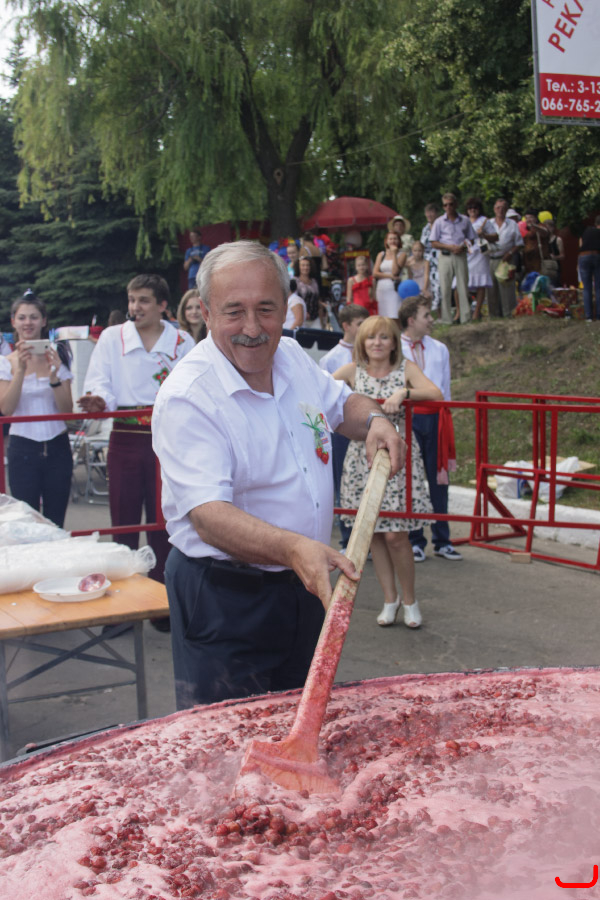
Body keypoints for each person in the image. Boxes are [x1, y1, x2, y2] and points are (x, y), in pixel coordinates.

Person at [151, 241, 405, 709]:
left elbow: (342, 404)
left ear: (287, 308)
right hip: (226, 598)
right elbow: (208, 516)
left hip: (302, 582)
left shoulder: (289, 354)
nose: (252, 329)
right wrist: (293, 548)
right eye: (234, 312)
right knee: (230, 735)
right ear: (205, 312)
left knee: (302, 717)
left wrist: (375, 421)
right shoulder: (188, 396)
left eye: (266, 309)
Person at [80, 275, 195, 629]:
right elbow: (99, 380)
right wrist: (98, 400)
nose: (135, 307)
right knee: (124, 522)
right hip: (125, 434)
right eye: (131, 299)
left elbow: (193, 385)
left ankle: (162, 605)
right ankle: (122, 611)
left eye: (143, 300)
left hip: (167, 438)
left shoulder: (182, 341)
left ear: (163, 305)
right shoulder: (112, 338)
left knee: (164, 524)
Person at [334, 316, 442, 630]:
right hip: (362, 458)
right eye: (371, 337)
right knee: (375, 533)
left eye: (384, 337)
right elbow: (319, 386)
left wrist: (404, 393)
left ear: (394, 342)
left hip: (396, 457)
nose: (377, 343)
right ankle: (389, 599)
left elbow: (434, 392)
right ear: (361, 342)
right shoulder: (352, 371)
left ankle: (410, 600)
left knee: (396, 534)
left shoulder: (405, 368)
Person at [0, 291, 73, 527]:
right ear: (13, 322)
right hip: (22, 447)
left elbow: (67, 410)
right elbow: (6, 409)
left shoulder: (58, 357)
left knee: (56, 520)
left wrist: (54, 377)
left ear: (44, 321)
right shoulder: (5, 362)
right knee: (27, 522)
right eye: (22, 318)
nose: (28, 323)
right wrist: (20, 370)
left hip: (58, 445)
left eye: (33, 317)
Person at [399, 295, 462, 564]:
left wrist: (446, 415)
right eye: (426, 315)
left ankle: (443, 540)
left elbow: (444, 387)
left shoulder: (440, 348)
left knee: (439, 479)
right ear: (411, 320)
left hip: (435, 417)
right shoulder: (395, 347)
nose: (431, 320)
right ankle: (415, 540)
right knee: (411, 480)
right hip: (408, 417)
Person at [319, 304, 369, 549]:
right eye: (360, 324)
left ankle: (368, 538)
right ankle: (347, 537)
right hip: (339, 428)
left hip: (364, 424)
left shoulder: (370, 354)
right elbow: (323, 394)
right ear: (346, 326)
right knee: (343, 482)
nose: (365, 328)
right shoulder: (331, 359)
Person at [430, 193, 477, 325]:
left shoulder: (464, 220)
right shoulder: (439, 222)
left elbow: (472, 239)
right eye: (445, 205)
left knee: (463, 286)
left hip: (460, 254)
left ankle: (466, 317)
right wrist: (449, 247)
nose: (448, 207)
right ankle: (446, 319)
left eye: (451, 204)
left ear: (456, 204)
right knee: (445, 288)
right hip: (445, 255)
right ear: (443, 207)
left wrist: (463, 246)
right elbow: (433, 242)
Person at [487, 198, 524, 318]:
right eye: (498, 207)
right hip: (491, 258)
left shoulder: (512, 224)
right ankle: (494, 315)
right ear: (494, 209)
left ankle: (509, 314)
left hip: (506, 259)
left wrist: (511, 253)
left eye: (503, 208)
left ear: (506, 210)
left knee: (507, 288)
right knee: (491, 289)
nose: (500, 210)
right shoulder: (489, 223)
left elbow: (519, 243)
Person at [463, 198, 497, 321]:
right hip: (466, 253)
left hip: (480, 254)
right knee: (463, 282)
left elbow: (495, 236)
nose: (472, 210)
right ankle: (467, 310)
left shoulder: (484, 221)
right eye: (470, 208)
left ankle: (477, 312)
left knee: (481, 283)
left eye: (475, 207)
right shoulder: (463, 220)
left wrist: (484, 234)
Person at [373, 231, 405, 318]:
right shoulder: (381, 255)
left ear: (399, 241)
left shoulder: (402, 255)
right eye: (390, 239)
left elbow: (395, 272)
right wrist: (390, 276)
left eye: (395, 239)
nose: (393, 241)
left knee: (394, 314)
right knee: (383, 316)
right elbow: (375, 273)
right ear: (386, 241)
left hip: (394, 289)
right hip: (382, 288)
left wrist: (394, 254)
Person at [578, 215, 600, 323]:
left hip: (583, 256)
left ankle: (589, 316)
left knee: (586, 287)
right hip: (597, 255)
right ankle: (599, 316)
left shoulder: (586, 231)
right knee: (598, 287)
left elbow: (580, 244)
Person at [421, 203, 441, 312]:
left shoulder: (442, 226)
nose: (429, 215)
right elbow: (422, 245)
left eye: (431, 212)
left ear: (437, 213)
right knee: (432, 287)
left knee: (441, 287)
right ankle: (436, 313)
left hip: (440, 259)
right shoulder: (425, 229)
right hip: (428, 262)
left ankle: (444, 313)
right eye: (427, 212)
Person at [521, 209, 551, 277]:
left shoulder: (541, 226)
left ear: (536, 218)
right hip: (528, 263)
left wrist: (534, 226)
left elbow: (545, 232)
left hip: (540, 263)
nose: (528, 220)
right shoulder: (525, 230)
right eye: (526, 218)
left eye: (531, 217)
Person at [294, 256, 321, 327]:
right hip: (301, 318)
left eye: (307, 265)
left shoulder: (314, 282)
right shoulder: (295, 281)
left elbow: (317, 299)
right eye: (303, 265)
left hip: (315, 317)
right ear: (298, 267)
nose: (305, 268)